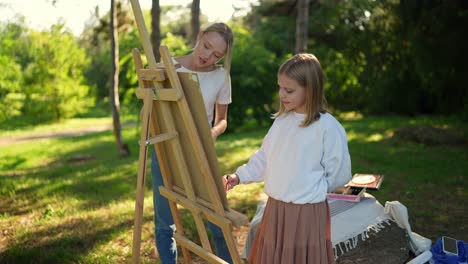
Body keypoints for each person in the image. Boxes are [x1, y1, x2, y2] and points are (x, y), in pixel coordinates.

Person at [223, 53, 352, 264]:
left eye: (289, 90)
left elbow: (339, 172)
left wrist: (313, 191)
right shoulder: (282, 121)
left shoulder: (328, 127)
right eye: (280, 87)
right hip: (276, 209)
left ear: (310, 90)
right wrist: (239, 177)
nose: (282, 94)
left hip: (307, 211)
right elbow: (264, 158)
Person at [151, 22, 234, 264]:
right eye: (206, 46)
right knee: (165, 223)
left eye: (216, 54)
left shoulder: (221, 77)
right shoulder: (165, 67)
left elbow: (222, 120)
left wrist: (213, 132)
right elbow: (151, 110)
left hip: (200, 152)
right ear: (199, 36)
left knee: (218, 220)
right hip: (165, 151)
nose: (207, 56)